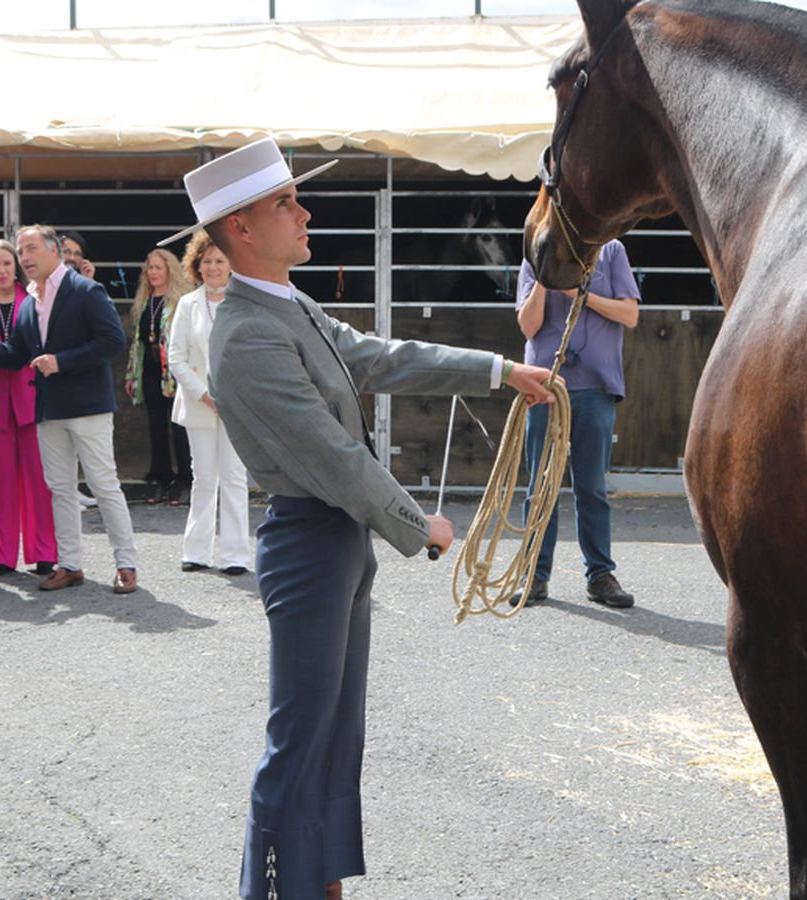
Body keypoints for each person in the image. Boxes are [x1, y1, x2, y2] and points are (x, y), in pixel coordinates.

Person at [161, 138, 559, 900]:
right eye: (285, 203)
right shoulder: (245, 336)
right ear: (240, 228)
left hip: (334, 541)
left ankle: (320, 886)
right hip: (312, 541)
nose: (303, 212)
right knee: (300, 743)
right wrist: (420, 526)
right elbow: (334, 459)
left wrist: (497, 371)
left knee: (334, 741)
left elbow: (378, 355)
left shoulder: (286, 304)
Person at [0, 225, 138, 594]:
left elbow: (112, 340)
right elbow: (17, 356)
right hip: (47, 410)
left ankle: (126, 564)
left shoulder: (86, 290)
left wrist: (62, 361)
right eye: (22, 251)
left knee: (103, 484)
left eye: (31, 248)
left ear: (54, 250)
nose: (25, 257)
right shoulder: (29, 300)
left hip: (88, 408)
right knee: (60, 488)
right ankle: (70, 565)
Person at [514, 237, 640, 609]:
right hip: (545, 385)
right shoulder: (533, 257)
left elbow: (629, 314)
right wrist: (543, 274)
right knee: (540, 484)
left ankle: (600, 575)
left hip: (597, 386)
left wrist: (578, 294)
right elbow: (528, 324)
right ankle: (535, 574)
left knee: (592, 487)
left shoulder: (610, 251)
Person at [0, 238, 56, 577]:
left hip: (31, 396)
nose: (2, 270)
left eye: (7, 263)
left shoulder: (35, 298)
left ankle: (45, 551)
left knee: (39, 479)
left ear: (15, 267)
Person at [166, 231, 250, 576]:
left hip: (237, 405)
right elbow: (176, 357)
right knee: (203, 477)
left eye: (219, 260)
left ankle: (235, 555)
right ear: (196, 266)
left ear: (231, 264)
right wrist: (204, 393)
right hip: (200, 404)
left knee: (233, 477)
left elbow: (252, 355)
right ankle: (196, 551)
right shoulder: (188, 304)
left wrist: (231, 393)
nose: (213, 267)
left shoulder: (245, 302)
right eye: (207, 261)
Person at [124, 247, 194, 504]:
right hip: (150, 370)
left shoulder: (181, 300)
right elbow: (138, 343)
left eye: (158, 268)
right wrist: (132, 375)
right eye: (149, 268)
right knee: (156, 426)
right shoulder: (145, 300)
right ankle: (161, 478)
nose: (153, 273)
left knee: (179, 426)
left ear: (169, 270)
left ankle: (186, 480)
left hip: (174, 371)